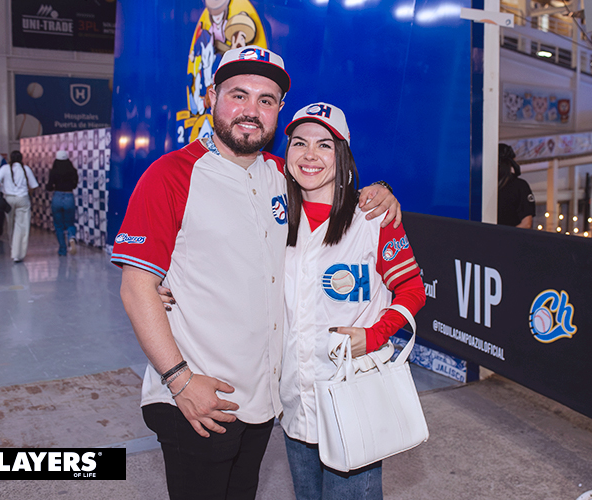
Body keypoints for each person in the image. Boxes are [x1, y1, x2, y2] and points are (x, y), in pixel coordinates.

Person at [111, 45, 401, 500]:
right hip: (198, 398)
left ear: (279, 109)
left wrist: (380, 190)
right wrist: (180, 381)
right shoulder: (171, 175)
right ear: (211, 97)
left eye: (266, 100)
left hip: (262, 403)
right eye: (238, 95)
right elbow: (135, 289)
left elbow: (333, 180)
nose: (251, 110)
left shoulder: (283, 175)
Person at [278, 103, 426, 500]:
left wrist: (375, 335)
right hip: (294, 395)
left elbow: (412, 289)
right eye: (299, 143)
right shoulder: (275, 219)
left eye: (324, 145)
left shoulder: (372, 218)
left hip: (352, 395)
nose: (310, 154)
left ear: (341, 154)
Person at [0, 151, 38, 263]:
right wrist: (29, 194)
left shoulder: (4, 168)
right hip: (22, 199)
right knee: (21, 227)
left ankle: (13, 248)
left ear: (10, 158)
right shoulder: (26, 169)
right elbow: (33, 185)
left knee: (10, 225)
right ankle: (17, 254)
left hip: (8, 199)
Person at [46, 150, 79, 256]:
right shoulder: (73, 171)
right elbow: (74, 185)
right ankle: (71, 237)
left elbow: (49, 186)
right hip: (69, 197)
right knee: (70, 223)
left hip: (57, 197)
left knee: (59, 225)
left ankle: (62, 250)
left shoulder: (54, 171)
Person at [497, 143, 535, 228]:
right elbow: (526, 223)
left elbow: (526, 223)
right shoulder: (521, 186)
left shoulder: (519, 186)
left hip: (490, 234)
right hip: (507, 235)